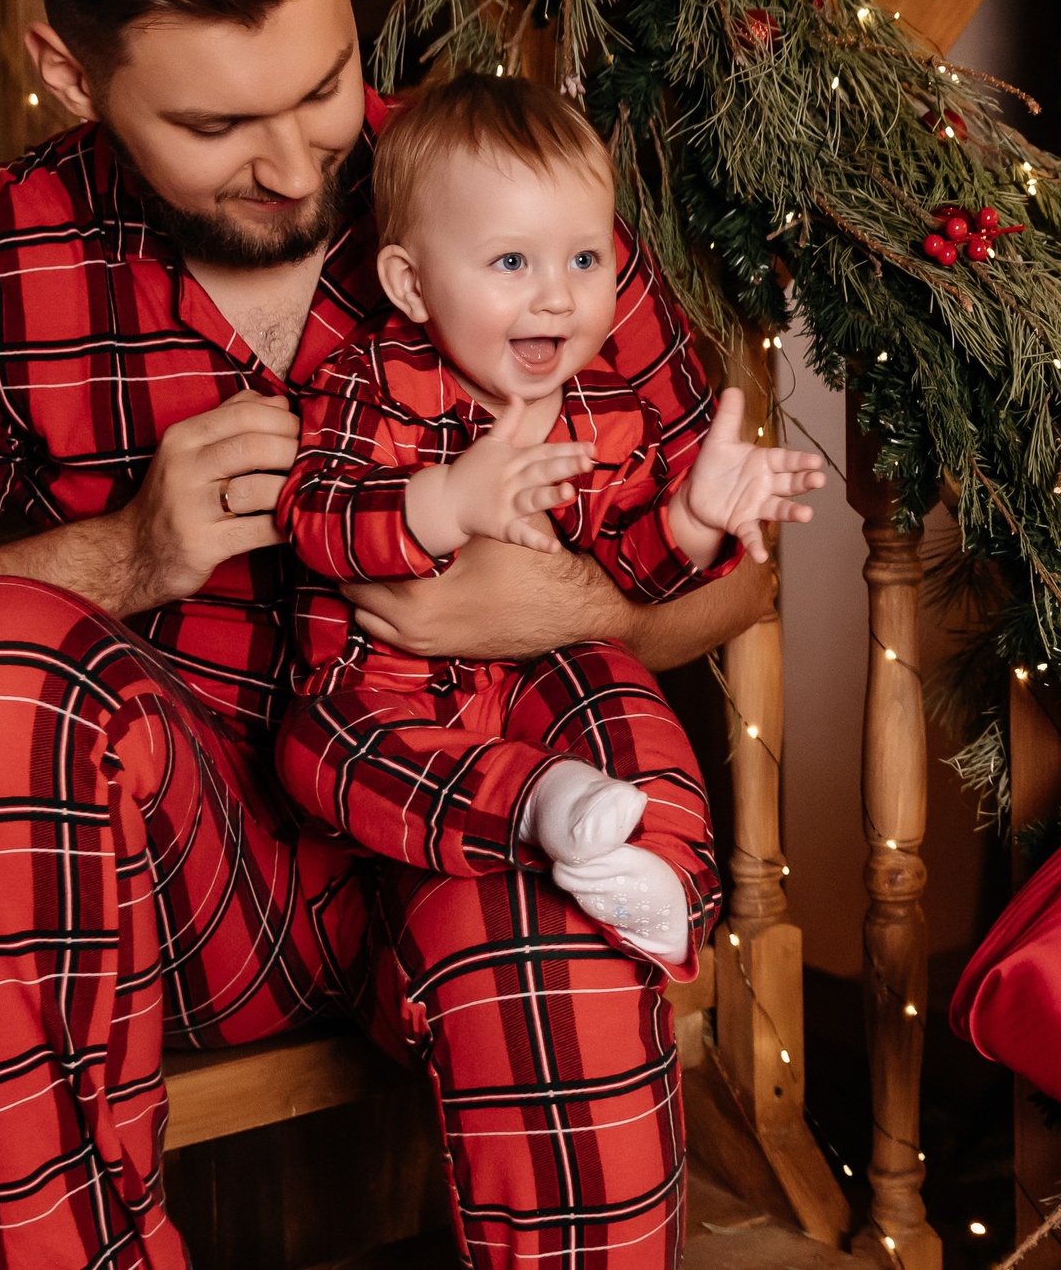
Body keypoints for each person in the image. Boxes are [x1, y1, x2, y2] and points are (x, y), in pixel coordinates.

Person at [0, 0, 767, 1269]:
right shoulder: (0, 266)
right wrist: (118, 553)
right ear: (70, 73)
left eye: (324, 84)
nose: (296, 163)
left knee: (580, 824)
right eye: (217, 122)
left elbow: (728, 580)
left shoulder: (501, 202)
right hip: (177, 880)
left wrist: (568, 608)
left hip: (465, 821)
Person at [266, 76, 825, 1248]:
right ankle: (547, 811)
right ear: (413, 282)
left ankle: (663, 877)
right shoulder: (373, 383)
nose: (560, 297)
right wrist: (440, 501)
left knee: (623, 690)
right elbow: (316, 515)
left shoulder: (598, 407)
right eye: (511, 264)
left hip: (534, 682)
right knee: (320, 750)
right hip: (393, 697)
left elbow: (623, 578)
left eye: (584, 260)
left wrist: (690, 524)